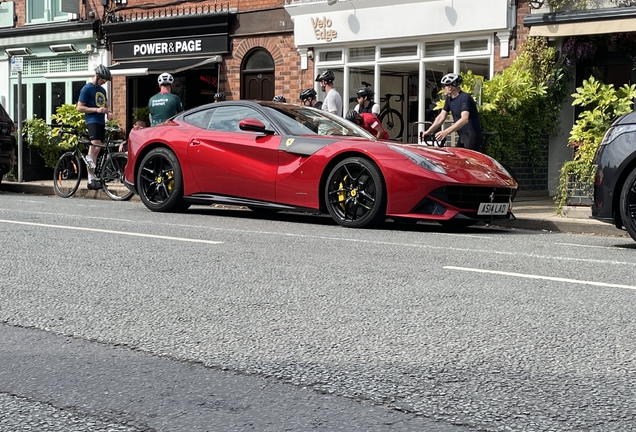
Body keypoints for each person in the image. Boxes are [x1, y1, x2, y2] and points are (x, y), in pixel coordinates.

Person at [423, 72, 482, 151]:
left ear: (450, 87)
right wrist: (428, 131)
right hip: (462, 134)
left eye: (444, 86)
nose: (442, 89)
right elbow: (441, 116)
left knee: (469, 161)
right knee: (458, 160)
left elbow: (464, 119)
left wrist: (446, 132)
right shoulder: (449, 99)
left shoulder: (464, 97)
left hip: (471, 134)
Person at [77, 65, 113, 190]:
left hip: (101, 122)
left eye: (106, 81)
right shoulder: (86, 89)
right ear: (97, 76)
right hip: (92, 121)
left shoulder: (102, 91)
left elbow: (107, 105)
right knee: (94, 147)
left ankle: (93, 177)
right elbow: (80, 107)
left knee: (97, 149)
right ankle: (90, 179)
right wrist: (97, 110)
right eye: (104, 79)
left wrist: (109, 112)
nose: (104, 82)